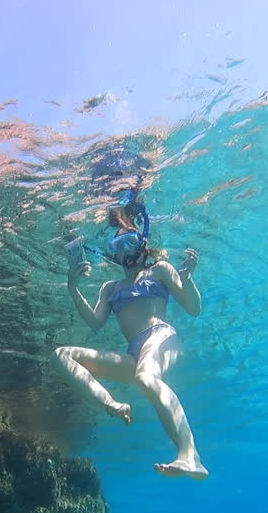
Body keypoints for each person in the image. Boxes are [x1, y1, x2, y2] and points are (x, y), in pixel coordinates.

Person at [53, 157, 207, 479]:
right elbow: (95, 323)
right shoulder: (110, 287)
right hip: (134, 353)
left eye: (129, 241)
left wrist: (188, 279)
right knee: (62, 355)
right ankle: (112, 405)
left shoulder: (160, 270)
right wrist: (72, 287)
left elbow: (193, 308)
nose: (125, 250)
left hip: (162, 337)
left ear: (142, 243)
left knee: (146, 378)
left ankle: (189, 454)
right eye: (118, 245)